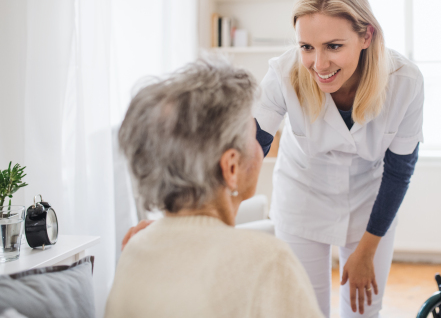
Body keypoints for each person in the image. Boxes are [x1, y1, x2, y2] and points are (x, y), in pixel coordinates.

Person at [253, 0, 423, 317]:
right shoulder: (284, 74)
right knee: (304, 310)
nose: (319, 64)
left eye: (333, 46)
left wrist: (367, 248)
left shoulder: (404, 81)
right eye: (306, 47)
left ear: (366, 36)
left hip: (371, 200)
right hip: (301, 196)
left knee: (363, 310)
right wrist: (185, 218)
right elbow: (249, 146)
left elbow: (399, 171)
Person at [105, 57, 323, 318]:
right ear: (231, 167)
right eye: (251, 132)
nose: (260, 144)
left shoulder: (134, 251)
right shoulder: (267, 262)